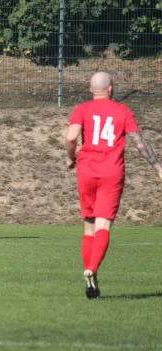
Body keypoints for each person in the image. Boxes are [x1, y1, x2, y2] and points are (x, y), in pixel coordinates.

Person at [66, 71, 162, 299]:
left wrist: (71, 158)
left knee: (89, 227)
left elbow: (71, 137)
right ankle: (93, 269)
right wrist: (158, 166)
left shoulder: (81, 109)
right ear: (111, 89)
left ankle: (91, 276)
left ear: (91, 89)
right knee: (103, 226)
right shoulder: (123, 111)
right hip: (111, 172)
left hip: (86, 170)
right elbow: (139, 143)